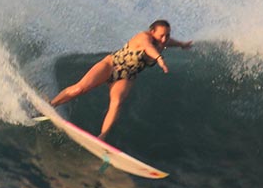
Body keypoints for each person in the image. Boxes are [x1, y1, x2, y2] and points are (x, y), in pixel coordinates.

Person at [49, 20, 191, 139]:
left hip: (126, 76)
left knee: (116, 103)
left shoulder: (163, 42)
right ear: (152, 31)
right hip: (111, 65)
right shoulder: (143, 37)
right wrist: (159, 59)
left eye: (167, 35)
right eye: (162, 35)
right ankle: (51, 104)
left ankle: (102, 137)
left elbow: (170, 42)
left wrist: (182, 44)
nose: (164, 39)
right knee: (80, 88)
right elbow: (148, 48)